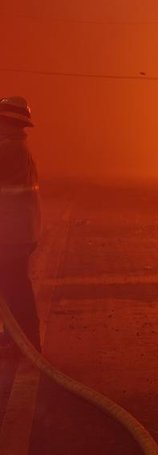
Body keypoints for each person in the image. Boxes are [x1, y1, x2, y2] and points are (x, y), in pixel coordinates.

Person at [0, 96, 41, 353]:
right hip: (19, 230)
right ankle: (16, 337)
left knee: (15, 289)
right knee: (11, 287)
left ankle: (27, 343)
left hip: (11, 233)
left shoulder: (7, 151)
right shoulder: (16, 148)